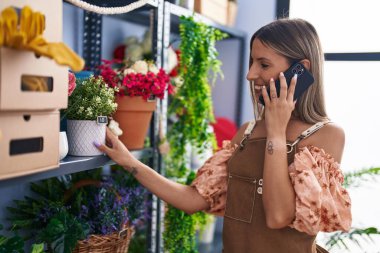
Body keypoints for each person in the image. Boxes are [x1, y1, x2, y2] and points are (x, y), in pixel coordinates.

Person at [95, 18, 352, 253]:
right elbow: (194, 199)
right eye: (252, 62)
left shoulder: (327, 135)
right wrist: (128, 161)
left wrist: (275, 131)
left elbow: (277, 216)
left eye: (263, 64)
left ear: (301, 70)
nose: (250, 74)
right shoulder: (247, 132)